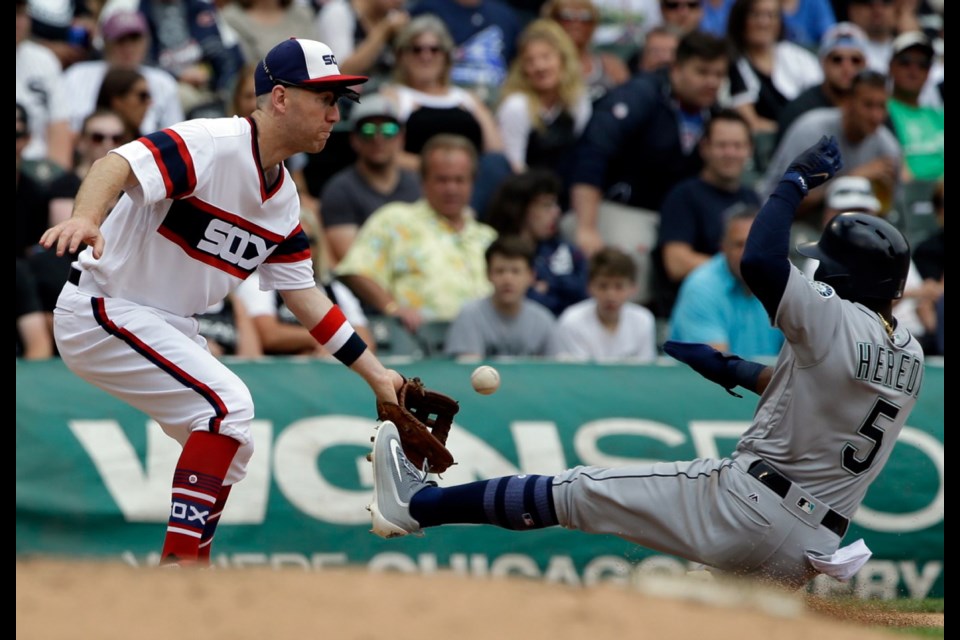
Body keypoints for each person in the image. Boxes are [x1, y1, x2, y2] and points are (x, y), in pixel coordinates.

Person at [367, 135, 924, 591]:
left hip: (747, 505)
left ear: (845, 278)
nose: (819, 272)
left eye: (827, 265)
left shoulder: (833, 317)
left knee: (576, 491)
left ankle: (418, 505)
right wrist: (731, 371)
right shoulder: (912, 356)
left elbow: (758, 260)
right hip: (813, 546)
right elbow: (823, 397)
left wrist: (791, 183)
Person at [39, 38, 405, 567]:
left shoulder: (282, 202)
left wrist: (376, 375)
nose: (333, 113)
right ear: (279, 98)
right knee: (228, 405)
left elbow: (305, 298)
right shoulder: (213, 142)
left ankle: (190, 572)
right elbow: (114, 164)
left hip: (164, 324)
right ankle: (180, 569)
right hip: (104, 306)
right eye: (323, 97)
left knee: (233, 442)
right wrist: (87, 218)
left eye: (337, 101)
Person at [335, 134, 498, 332]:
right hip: (417, 341)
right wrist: (392, 308)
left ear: (472, 182)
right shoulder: (395, 220)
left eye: (459, 180)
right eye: (442, 180)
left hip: (485, 344)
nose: (451, 188)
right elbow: (355, 270)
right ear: (423, 181)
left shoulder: (488, 237)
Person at [653, 108, 761, 318]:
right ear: (705, 148)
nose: (730, 153)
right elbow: (675, 262)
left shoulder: (752, 199)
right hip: (697, 307)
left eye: (738, 146)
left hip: (747, 309)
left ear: (750, 150)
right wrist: (736, 265)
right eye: (722, 145)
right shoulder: (683, 196)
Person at [46, 9, 185, 170]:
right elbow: (64, 133)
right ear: (105, 42)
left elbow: (175, 141)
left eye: (134, 39)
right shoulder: (77, 75)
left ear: (146, 41)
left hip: (145, 166)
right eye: (120, 40)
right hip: (85, 163)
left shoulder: (163, 82)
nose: (128, 47)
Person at [320, 92, 421, 265]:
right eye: (368, 130)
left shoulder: (417, 185)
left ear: (401, 138)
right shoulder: (339, 190)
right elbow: (353, 262)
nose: (378, 138)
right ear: (354, 139)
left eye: (389, 130)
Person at [668, 206, 784, 357]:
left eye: (756, 243)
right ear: (723, 248)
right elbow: (716, 367)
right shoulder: (701, 288)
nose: (748, 253)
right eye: (739, 244)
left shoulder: (783, 282)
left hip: (765, 378)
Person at [486, 169, 589, 317]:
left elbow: (587, 294)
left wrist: (549, 283)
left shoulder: (568, 250)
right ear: (521, 209)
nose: (556, 212)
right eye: (547, 205)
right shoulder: (500, 252)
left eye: (556, 204)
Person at [444, 236, 557, 358]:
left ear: (531, 276)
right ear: (488, 274)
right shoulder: (470, 316)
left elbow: (554, 370)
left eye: (515, 271)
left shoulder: (543, 320)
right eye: (500, 271)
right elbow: (464, 369)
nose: (507, 280)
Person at [724, 0, 822, 136]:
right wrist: (794, 131)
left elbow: (821, 99)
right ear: (740, 19)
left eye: (771, 15)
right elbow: (751, 122)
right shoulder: (732, 63)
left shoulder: (797, 56)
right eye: (755, 15)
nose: (764, 23)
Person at [546, 247, 657, 361]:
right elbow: (574, 374)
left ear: (633, 288)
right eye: (603, 286)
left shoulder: (643, 320)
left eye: (619, 286)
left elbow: (645, 371)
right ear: (589, 287)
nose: (611, 295)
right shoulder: (571, 321)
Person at [775, 21, 868, 146]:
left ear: (866, 65)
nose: (847, 68)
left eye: (855, 60)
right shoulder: (799, 111)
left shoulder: (873, 108)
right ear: (822, 63)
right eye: (837, 59)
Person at [885, 31, 943, 183]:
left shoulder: (939, 116)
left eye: (923, 64)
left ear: (929, 72)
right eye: (905, 62)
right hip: (905, 196)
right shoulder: (881, 111)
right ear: (891, 66)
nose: (914, 70)